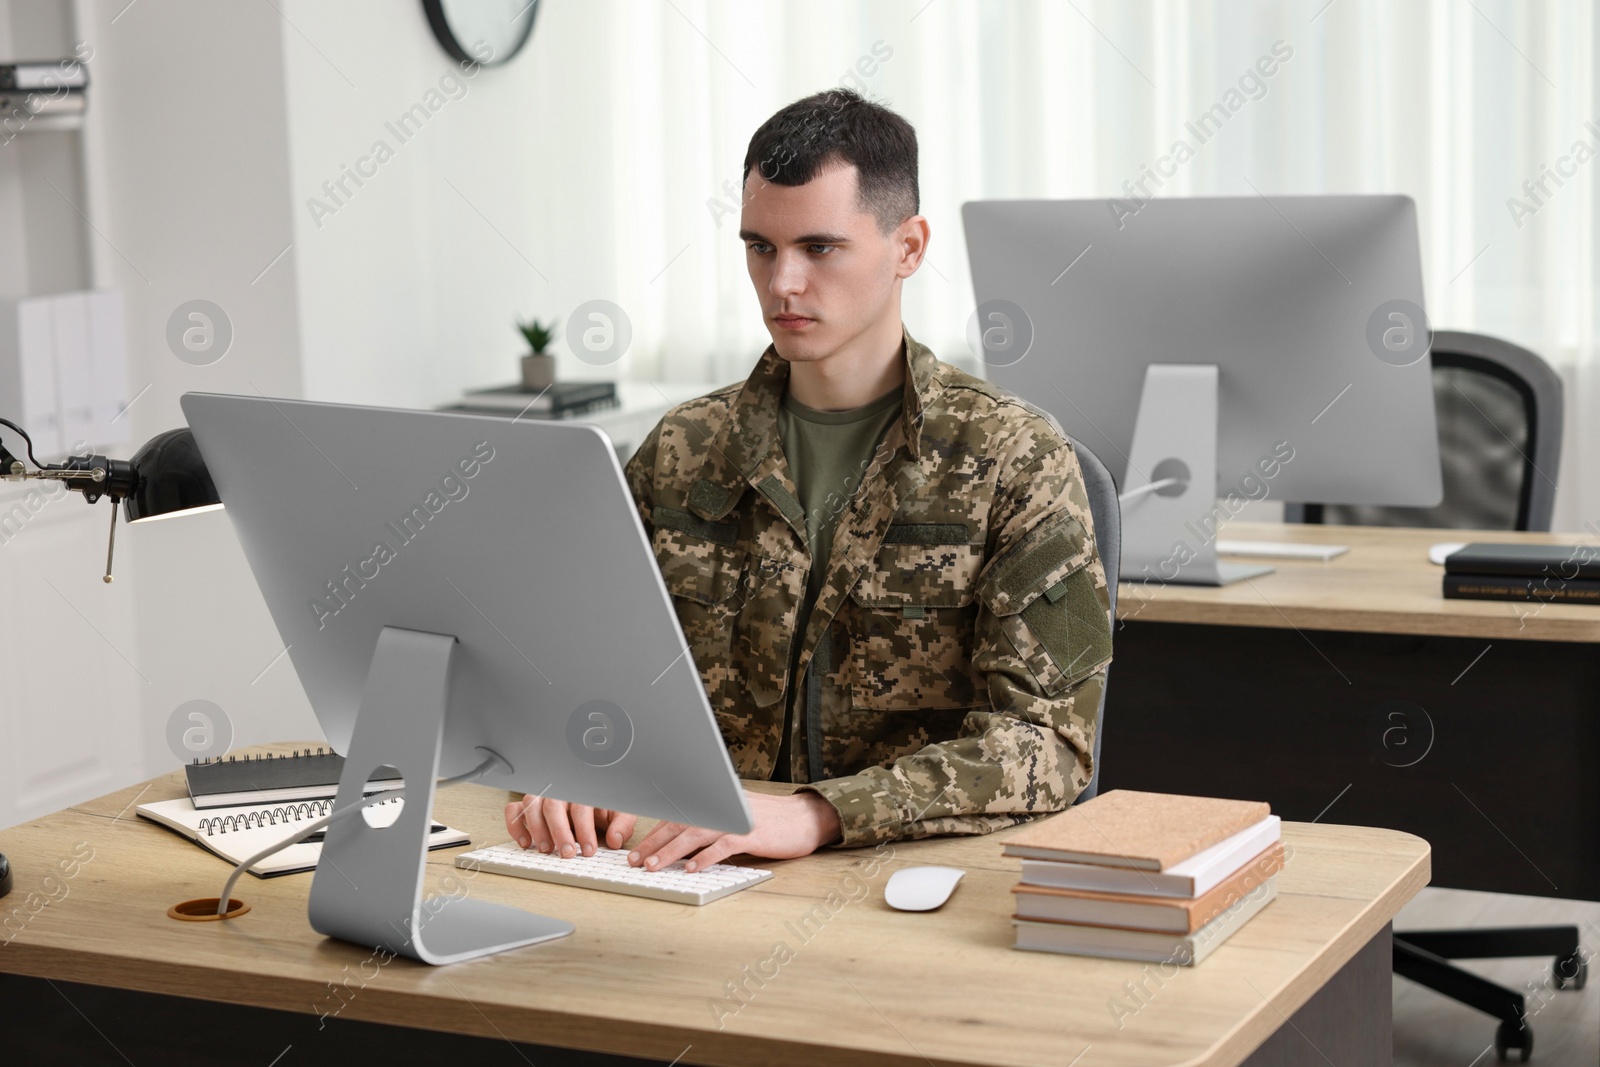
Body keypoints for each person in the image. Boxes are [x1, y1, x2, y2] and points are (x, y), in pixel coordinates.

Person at [506, 88, 1113, 873]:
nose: (782, 283)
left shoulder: (1017, 458)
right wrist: (565, 765)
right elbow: (574, 669)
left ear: (909, 247)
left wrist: (822, 813)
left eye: (818, 249)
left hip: (900, 879)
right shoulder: (682, 450)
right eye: (760, 246)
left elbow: (1051, 743)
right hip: (675, 869)